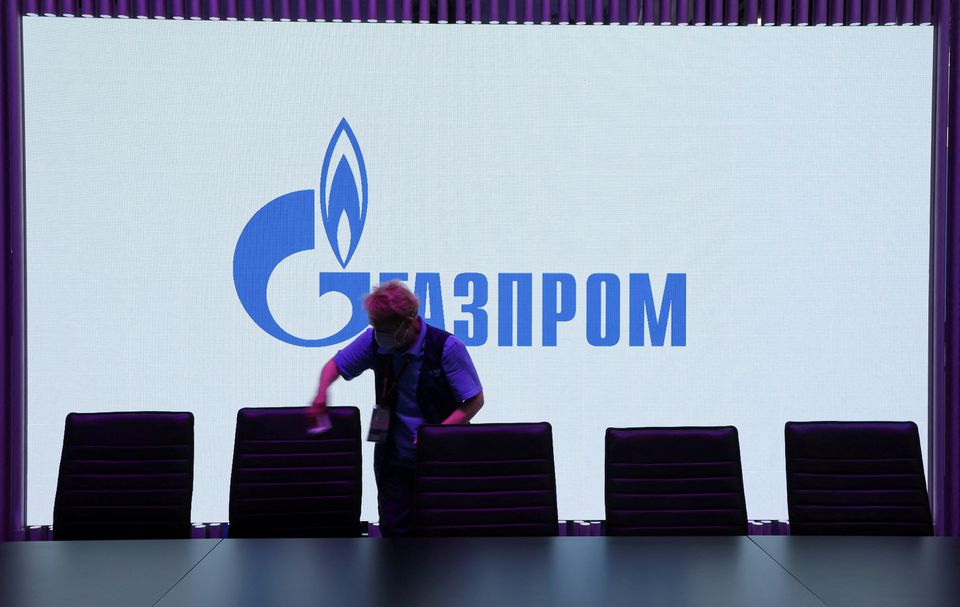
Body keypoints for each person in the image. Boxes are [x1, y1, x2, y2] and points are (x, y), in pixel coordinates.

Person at [309, 280, 484, 537]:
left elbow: (474, 401)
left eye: (385, 329)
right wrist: (322, 392)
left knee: (445, 539)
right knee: (395, 538)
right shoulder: (376, 341)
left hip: (442, 461)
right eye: (375, 328)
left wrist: (435, 435)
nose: (379, 335)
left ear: (409, 321)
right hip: (394, 458)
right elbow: (335, 365)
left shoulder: (446, 347)